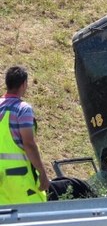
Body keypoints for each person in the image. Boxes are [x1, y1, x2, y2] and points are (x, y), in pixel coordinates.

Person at [0, 65, 50, 204]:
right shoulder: (23, 109)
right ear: (24, 84)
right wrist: (43, 173)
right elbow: (29, 144)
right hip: (20, 177)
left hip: (1, 181)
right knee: (35, 216)